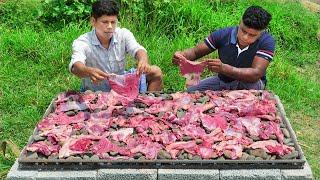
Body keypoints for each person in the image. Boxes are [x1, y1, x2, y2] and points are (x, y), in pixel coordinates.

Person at [172, 6, 275, 91]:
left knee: (246, 106)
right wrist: (182, 56)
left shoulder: (266, 41)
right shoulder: (223, 35)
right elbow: (195, 52)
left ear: (261, 33)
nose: (245, 37)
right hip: (223, 80)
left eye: (252, 35)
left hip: (250, 84)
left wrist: (224, 68)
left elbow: (255, 74)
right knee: (189, 93)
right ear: (240, 22)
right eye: (243, 31)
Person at [69, 0, 163, 92]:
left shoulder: (123, 34)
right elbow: (76, 66)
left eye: (113, 22)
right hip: (96, 92)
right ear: (93, 21)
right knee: (89, 94)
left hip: (121, 86)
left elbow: (138, 49)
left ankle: (149, 104)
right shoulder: (83, 42)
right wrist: (89, 71)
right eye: (105, 22)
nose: (110, 26)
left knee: (155, 71)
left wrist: (143, 60)